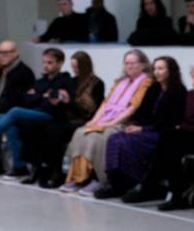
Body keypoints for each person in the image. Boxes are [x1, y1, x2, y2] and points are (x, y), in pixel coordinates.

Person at [60, 49, 153, 194]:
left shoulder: (146, 82)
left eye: (133, 63)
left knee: (99, 138)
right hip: (106, 119)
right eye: (126, 63)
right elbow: (105, 104)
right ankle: (79, 177)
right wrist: (94, 120)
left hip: (125, 122)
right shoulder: (120, 82)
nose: (129, 66)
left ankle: (99, 179)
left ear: (143, 64)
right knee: (80, 132)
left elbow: (133, 107)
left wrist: (112, 123)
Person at [98, 56, 187, 201]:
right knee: (114, 138)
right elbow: (143, 113)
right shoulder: (154, 88)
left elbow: (168, 121)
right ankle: (116, 183)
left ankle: (140, 183)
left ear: (170, 71)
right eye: (155, 69)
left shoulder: (178, 91)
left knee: (128, 142)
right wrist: (135, 125)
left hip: (162, 132)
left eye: (160, 68)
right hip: (147, 128)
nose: (156, 72)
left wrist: (143, 129)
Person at [0, 48, 71, 177]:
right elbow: (26, 98)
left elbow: (52, 104)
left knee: (15, 111)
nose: (45, 65)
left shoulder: (64, 80)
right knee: (6, 124)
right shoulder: (41, 81)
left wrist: (37, 96)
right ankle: (19, 166)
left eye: (50, 63)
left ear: (60, 63)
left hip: (51, 115)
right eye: (44, 62)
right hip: (35, 112)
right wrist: (43, 96)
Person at [21, 50, 105, 187]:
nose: (75, 70)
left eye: (77, 67)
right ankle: (40, 167)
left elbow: (89, 110)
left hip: (84, 119)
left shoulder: (96, 83)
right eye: (73, 67)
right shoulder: (72, 81)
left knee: (54, 130)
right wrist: (60, 100)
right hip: (68, 116)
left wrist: (67, 102)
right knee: (36, 126)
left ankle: (54, 171)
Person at [154, 61, 194, 210]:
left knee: (171, 142)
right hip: (185, 132)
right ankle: (174, 191)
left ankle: (175, 193)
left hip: (189, 133)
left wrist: (181, 127)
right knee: (168, 139)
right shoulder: (189, 95)